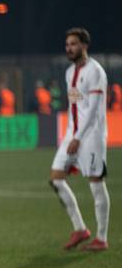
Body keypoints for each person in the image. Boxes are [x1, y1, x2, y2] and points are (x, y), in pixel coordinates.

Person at [49, 27, 110, 251]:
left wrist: (78, 137)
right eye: (67, 45)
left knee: (96, 183)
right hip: (72, 135)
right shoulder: (69, 73)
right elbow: (75, 105)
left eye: (73, 44)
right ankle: (80, 229)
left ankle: (101, 238)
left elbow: (93, 110)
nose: (69, 48)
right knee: (56, 179)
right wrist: (70, 135)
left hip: (91, 135)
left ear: (85, 45)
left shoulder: (95, 72)